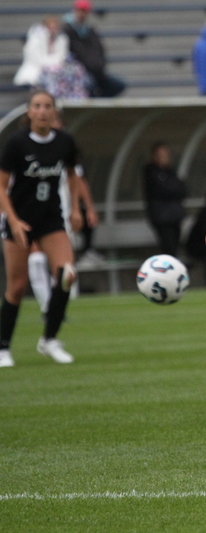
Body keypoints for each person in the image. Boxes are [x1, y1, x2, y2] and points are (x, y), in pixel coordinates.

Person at [0, 90, 83, 369]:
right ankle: (3, 348)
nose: (43, 111)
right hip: (20, 220)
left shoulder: (64, 142)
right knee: (17, 287)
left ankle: (49, 339)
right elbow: (1, 186)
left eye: (48, 106)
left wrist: (74, 209)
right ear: (29, 112)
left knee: (67, 273)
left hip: (50, 220)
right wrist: (12, 220)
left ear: (54, 112)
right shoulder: (16, 143)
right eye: (37, 106)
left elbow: (73, 175)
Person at [29, 111, 98, 317]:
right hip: (30, 210)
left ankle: (62, 305)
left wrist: (85, 208)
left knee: (63, 263)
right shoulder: (24, 146)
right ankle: (46, 305)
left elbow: (77, 179)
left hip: (61, 211)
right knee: (36, 258)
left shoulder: (65, 148)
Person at [14, 15, 89, 99]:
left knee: (76, 71)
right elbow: (38, 60)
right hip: (37, 71)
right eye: (50, 27)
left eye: (55, 27)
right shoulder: (35, 40)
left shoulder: (62, 39)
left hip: (57, 71)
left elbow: (61, 57)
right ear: (45, 27)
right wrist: (52, 64)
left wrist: (54, 64)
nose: (53, 29)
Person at [63, 0, 126, 98]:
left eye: (85, 11)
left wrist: (100, 66)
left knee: (118, 85)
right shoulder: (66, 30)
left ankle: (100, 107)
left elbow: (100, 51)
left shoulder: (91, 31)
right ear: (75, 10)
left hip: (97, 72)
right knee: (90, 86)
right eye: (80, 10)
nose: (82, 14)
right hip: (80, 73)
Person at [143, 142, 187, 257]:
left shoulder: (171, 171)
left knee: (175, 245)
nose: (164, 158)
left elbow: (183, 190)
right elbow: (164, 190)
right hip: (162, 217)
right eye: (161, 155)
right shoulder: (151, 171)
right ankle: (169, 270)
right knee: (168, 246)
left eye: (166, 154)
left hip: (175, 215)